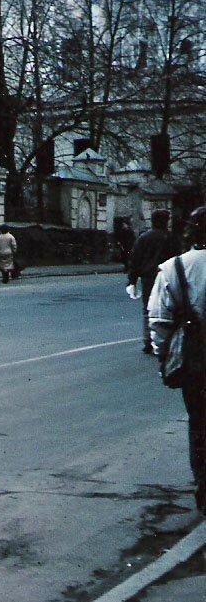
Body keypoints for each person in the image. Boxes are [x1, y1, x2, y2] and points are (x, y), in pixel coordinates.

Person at [148, 205, 206, 515]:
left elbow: (159, 320)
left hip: (196, 362)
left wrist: (163, 356)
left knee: (199, 424)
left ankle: (203, 486)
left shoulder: (174, 268)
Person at [129, 209, 182, 355]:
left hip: (148, 278)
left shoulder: (143, 238)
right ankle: (167, 340)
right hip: (168, 276)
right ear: (166, 221)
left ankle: (148, 341)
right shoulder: (172, 238)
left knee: (148, 309)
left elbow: (135, 259)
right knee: (169, 308)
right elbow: (178, 259)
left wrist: (132, 280)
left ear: (152, 221)